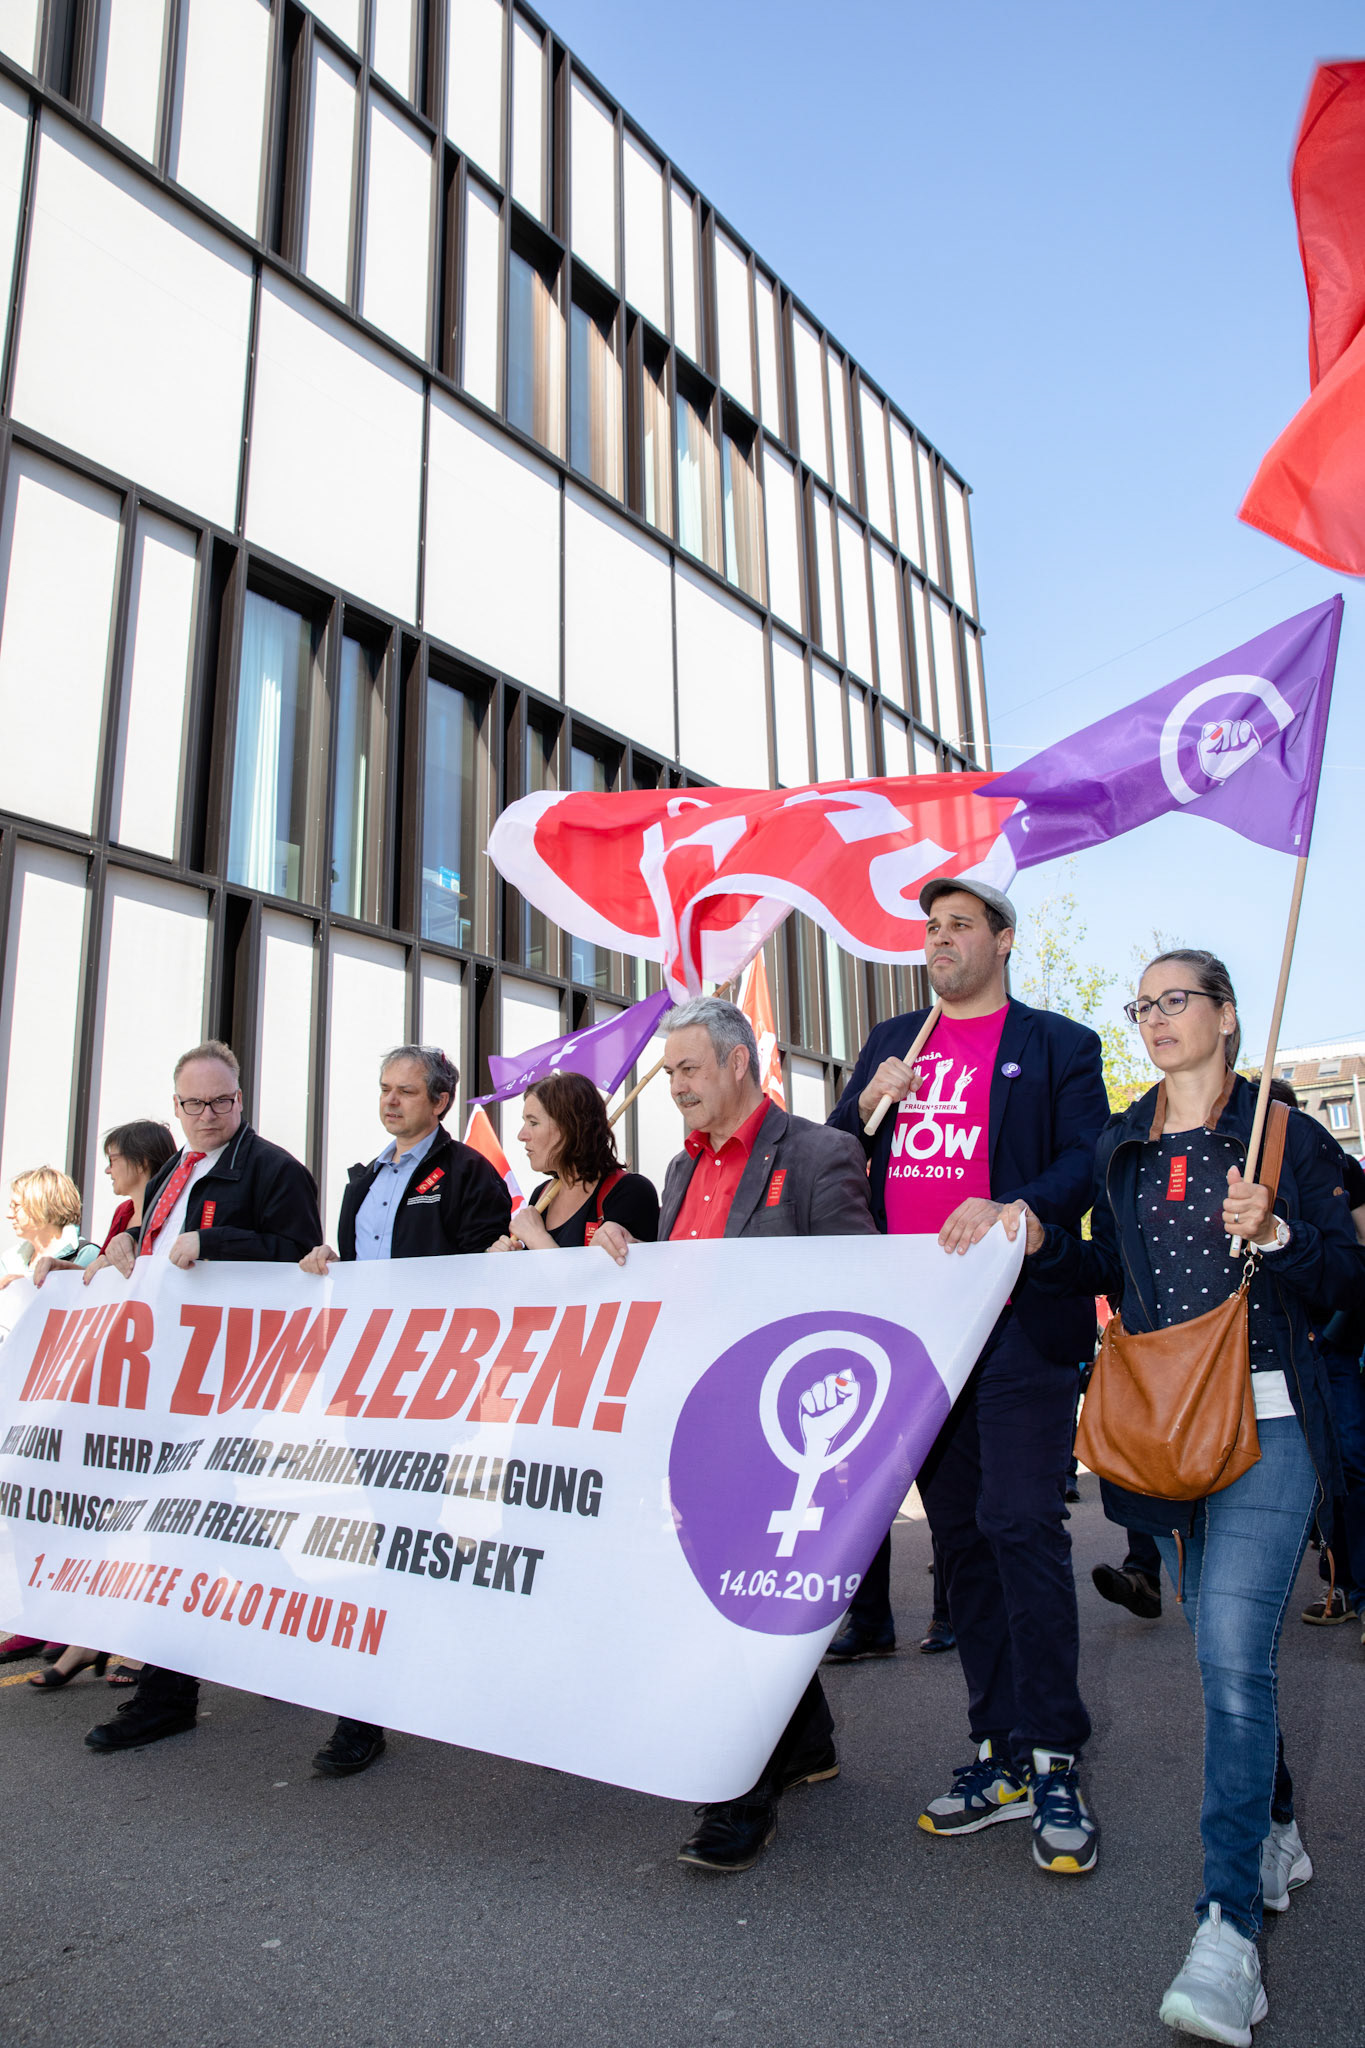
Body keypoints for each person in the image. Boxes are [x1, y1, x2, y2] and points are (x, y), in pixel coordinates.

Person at [1022, 949, 1365, 2044]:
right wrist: (1033, 1239)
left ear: (1224, 1015)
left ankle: (1226, 1933)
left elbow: (1348, 1281)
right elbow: (1105, 1270)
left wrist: (1279, 1233)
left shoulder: (1284, 1136)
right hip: (1166, 1432)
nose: (1156, 1018)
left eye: (1177, 1000)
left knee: (1224, 1650)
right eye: (1144, 1005)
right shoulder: (1121, 1143)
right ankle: (1276, 1831)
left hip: (1271, 1427)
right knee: (1233, 1661)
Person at [828, 877, 1109, 1877]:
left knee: (1020, 1521)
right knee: (961, 1543)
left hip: (1019, 1321)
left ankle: (1055, 1751)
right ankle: (999, 1750)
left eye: (958, 925)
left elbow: (1087, 1159)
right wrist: (867, 1105)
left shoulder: (1059, 1044)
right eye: (930, 928)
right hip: (920, 1333)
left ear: (1002, 939)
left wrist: (1013, 1205)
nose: (939, 940)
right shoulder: (892, 1042)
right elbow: (833, 1156)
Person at [591, 995, 876, 1873]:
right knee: (732, 1597)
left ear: (737, 1063)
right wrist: (627, 1249)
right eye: (669, 1071)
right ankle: (807, 1742)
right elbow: (686, 1281)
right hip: (697, 1419)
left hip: (776, 1426)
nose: (674, 1085)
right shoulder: (680, 1170)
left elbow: (856, 1288)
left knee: (729, 1609)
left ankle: (736, 1793)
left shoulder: (821, 1153)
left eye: (687, 1068)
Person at [82, 1040, 323, 1753]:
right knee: (210, 1529)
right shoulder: (175, 1171)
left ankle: (172, 1695)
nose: (209, 1114)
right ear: (177, 1106)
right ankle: (291, 1650)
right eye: (195, 1103)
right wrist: (123, 1244)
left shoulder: (275, 1170)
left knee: (189, 1530)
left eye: (222, 1101)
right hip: (170, 1381)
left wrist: (218, 1244)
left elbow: (302, 1260)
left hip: (231, 1386)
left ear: (240, 1100)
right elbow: (155, 1244)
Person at [299, 1044, 512, 1774]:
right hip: (368, 1383)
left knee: (415, 1533)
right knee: (390, 1532)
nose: (390, 1102)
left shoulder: (469, 1174)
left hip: (434, 1387)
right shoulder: (362, 1180)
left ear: (440, 1102)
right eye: (384, 1089)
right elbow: (359, 1272)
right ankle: (395, 1685)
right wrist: (328, 1265)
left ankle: (383, 1699)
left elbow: (490, 1278)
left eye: (406, 1092)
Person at [488, 1070, 659, 1252]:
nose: (521, 1135)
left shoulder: (630, 1191)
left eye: (533, 1123)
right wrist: (514, 1258)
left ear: (569, 1127)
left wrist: (537, 1238)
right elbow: (543, 1269)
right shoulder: (541, 1195)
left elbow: (608, 1271)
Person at [1, 1168, 101, 1285]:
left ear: (42, 1205)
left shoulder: (86, 1255)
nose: (9, 1215)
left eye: (16, 1206)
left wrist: (26, 1287)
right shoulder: (10, 1259)